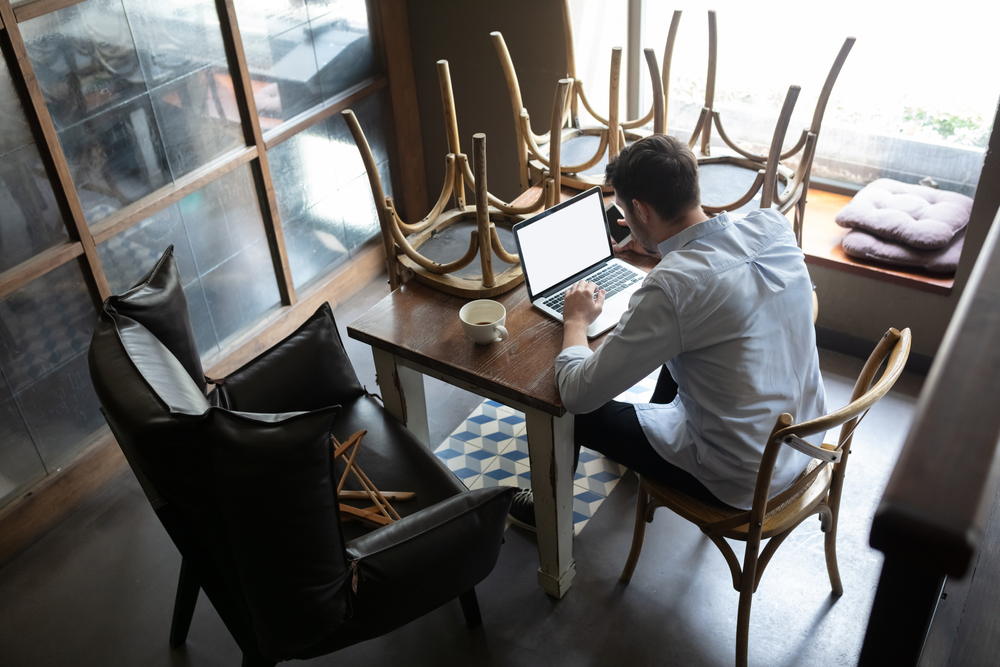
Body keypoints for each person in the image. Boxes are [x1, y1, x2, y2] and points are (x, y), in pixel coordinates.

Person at [507, 134, 827, 530]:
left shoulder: (673, 288)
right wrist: (662, 247)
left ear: (639, 209)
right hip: (801, 441)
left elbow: (577, 393)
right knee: (690, 344)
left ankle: (544, 513)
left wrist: (575, 320)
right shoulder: (772, 225)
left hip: (741, 476)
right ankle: (645, 439)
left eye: (624, 209)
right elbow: (717, 266)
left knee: (568, 410)